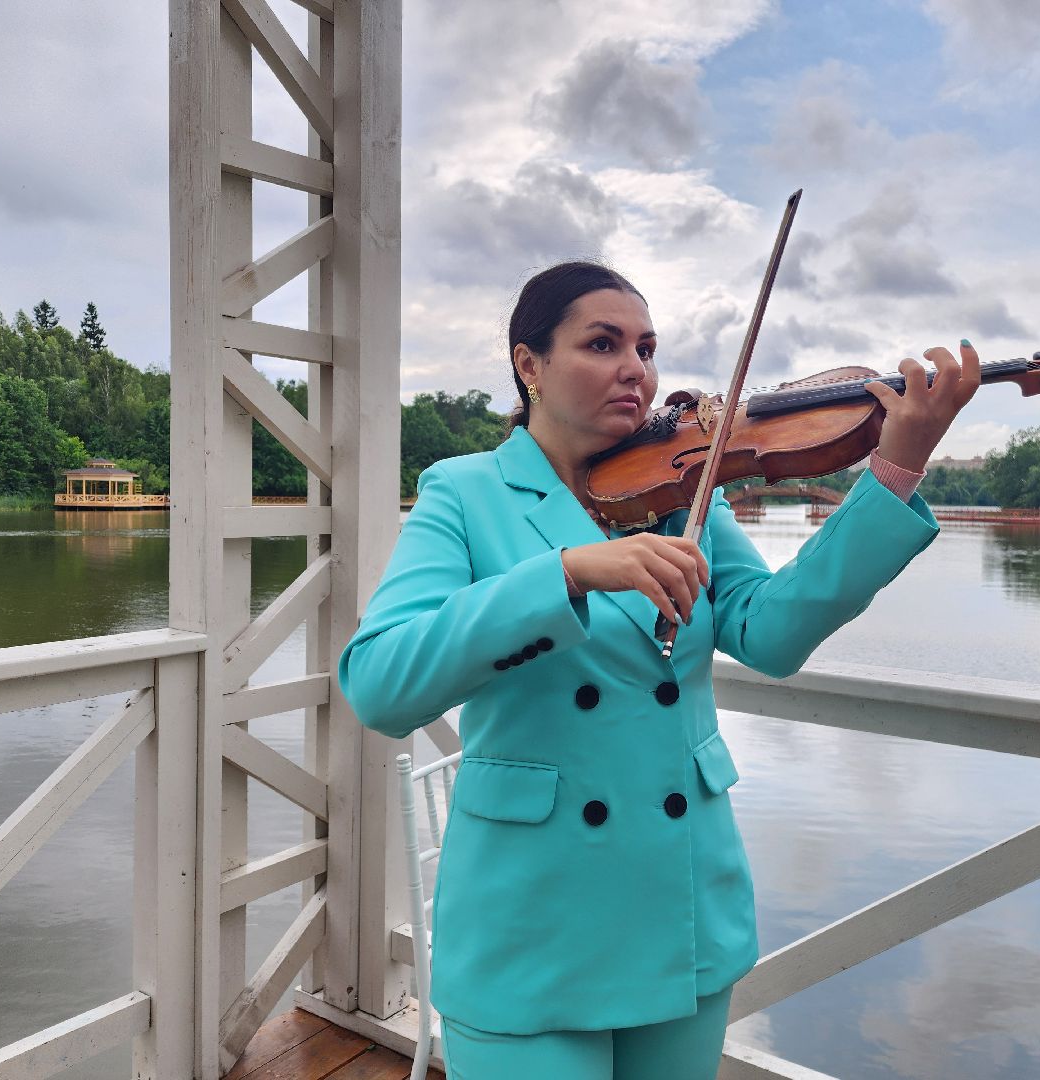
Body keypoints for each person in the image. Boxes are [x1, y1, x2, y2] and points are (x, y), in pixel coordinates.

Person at [338, 261, 979, 1079]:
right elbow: (379, 684)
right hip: (531, 926)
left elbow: (770, 632)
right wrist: (565, 572)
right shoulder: (465, 493)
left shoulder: (683, 491)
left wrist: (895, 468)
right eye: (602, 344)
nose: (635, 369)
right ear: (528, 364)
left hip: (678, 915)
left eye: (646, 347)